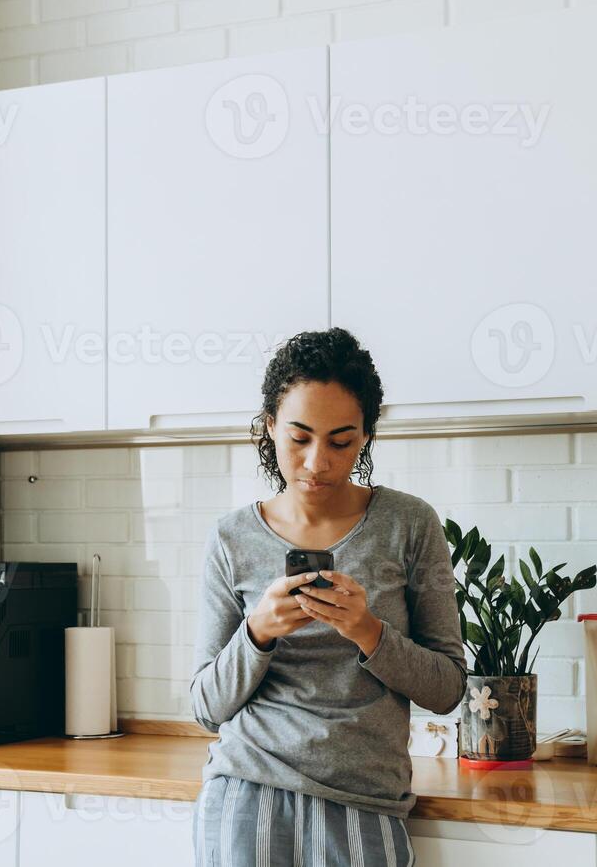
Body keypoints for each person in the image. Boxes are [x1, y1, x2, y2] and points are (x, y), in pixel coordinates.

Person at [188, 327, 468, 866]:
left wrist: (368, 631)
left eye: (340, 441)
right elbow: (205, 707)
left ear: (365, 436)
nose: (317, 462)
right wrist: (258, 633)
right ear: (269, 427)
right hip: (246, 795)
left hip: (366, 802)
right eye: (299, 437)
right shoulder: (230, 539)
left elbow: (447, 689)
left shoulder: (409, 524)